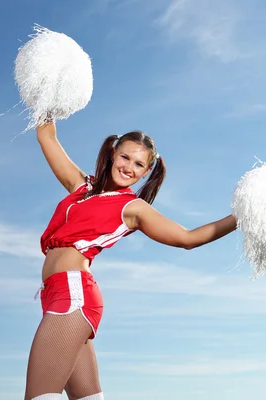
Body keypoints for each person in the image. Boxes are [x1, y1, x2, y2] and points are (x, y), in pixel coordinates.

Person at [24, 120, 237, 400]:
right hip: (54, 294)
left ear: (147, 171)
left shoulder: (132, 207)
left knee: (39, 397)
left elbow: (188, 238)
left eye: (138, 165)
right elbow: (46, 136)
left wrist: (242, 216)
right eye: (125, 157)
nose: (128, 167)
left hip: (73, 294)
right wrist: (48, 94)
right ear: (113, 153)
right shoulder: (81, 187)